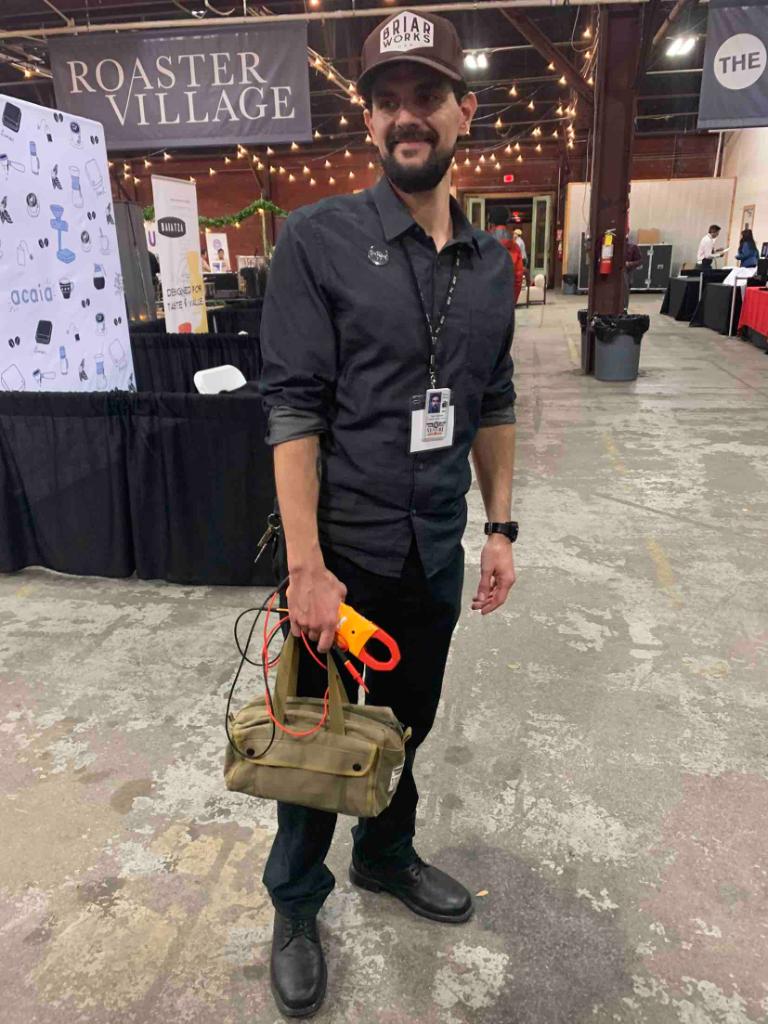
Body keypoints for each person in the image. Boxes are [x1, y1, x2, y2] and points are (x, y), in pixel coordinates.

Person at [258, 10, 517, 1018]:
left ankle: (385, 853)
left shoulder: (491, 262)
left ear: (464, 111)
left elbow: (494, 399)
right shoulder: (317, 240)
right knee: (315, 742)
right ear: (368, 121)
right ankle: (295, 903)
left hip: (433, 552)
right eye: (388, 100)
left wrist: (500, 529)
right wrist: (306, 568)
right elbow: (293, 409)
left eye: (427, 95)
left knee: (407, 723)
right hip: (344, 557)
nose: (408, 116)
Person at [487, 206, 524, 303]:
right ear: (507, 223)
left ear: (491, 224)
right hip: (506, 299)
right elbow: (518, 278)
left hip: (485, 300)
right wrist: (512, 301)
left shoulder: (483, 244)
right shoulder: (515, 247)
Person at [624, 233, 643, 310]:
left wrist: (629, 264)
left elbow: (640, 261)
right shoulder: (614, 245)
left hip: (627, 273)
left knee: (624, 293)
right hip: (614, 275)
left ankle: (624, 310)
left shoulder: (633, 247)